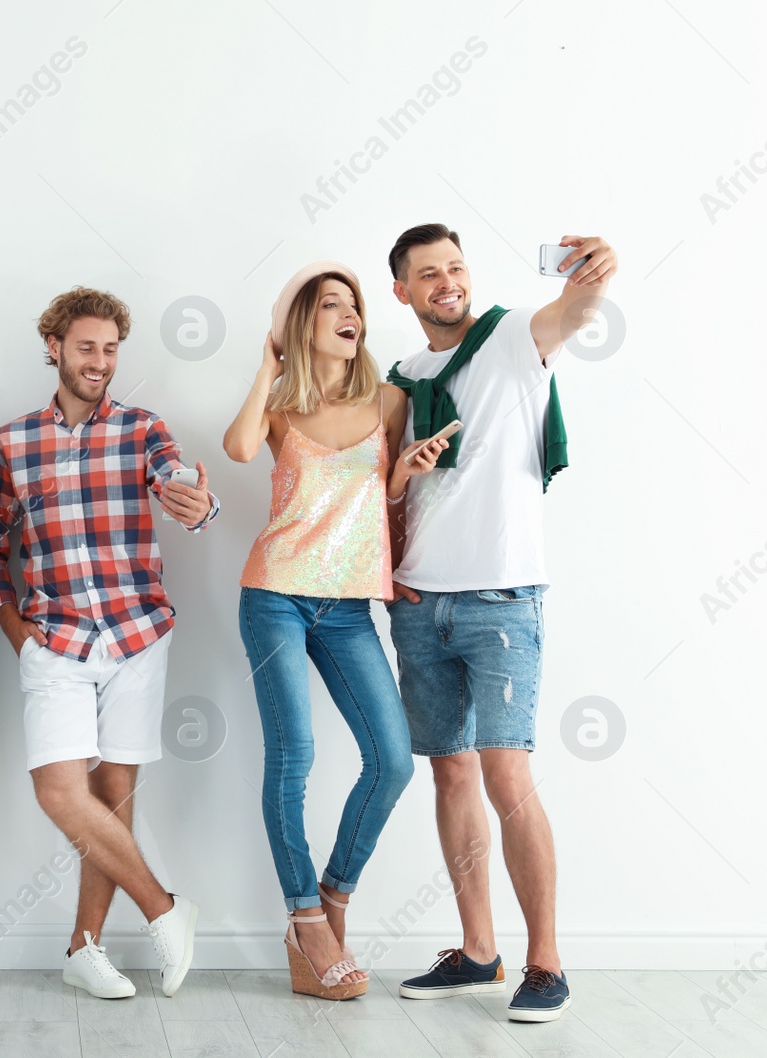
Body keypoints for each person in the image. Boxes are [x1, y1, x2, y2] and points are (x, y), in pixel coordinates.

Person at [384, 224, 618, 1022]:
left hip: (503, 600)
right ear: (402, 292)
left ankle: (545, 961)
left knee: (505, 773)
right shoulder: (403, 375)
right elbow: (380, 487)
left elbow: (577, 310)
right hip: (418, 603)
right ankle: (479, 951)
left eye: (454, 267)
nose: (446, 281)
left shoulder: (516, 338)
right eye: (427, 273)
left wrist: (596, 271)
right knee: (449, 772)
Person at [0, 287, 215, 1000]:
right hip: (55, 638)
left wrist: (200, 506)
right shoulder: (13, 442)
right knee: (60, 792)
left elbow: (179, 485)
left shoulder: (142, 429)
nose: (100, 361)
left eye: (110, 349)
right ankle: (167, 910)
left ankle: (84, 946)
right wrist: (15, 630)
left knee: (112, 797)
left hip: (137, 634)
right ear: (54, 348)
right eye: (86, 348)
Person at [223, 262, 446, 1000]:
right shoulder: (282, 410)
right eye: (330, 306)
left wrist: (401, 499)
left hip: (350, 605)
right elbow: (237, 450)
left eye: (354, 306)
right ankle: (303, 917)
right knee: (295, 754)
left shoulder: (390, 401)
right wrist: (266, 369)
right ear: (301, 325)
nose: (349, 316)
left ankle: (333, 897)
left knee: (392, 759)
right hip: (277, 594)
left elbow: (382, 503)